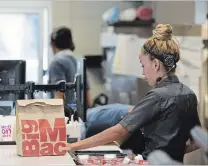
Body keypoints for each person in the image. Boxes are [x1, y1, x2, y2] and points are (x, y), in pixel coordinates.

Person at [67, 24, 201, 163]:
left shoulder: (157, 96)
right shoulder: (189, 94)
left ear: (155, 64)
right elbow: (196, 142)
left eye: (143, 65)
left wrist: (73, 145)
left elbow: (118, 131)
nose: (143, 73)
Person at [48, 26, 93, 107]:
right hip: (80, 115)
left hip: (65, 115)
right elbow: (88, 99)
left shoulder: (57, 62)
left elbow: (59, 96)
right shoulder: (79, 61)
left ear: (52, 44)